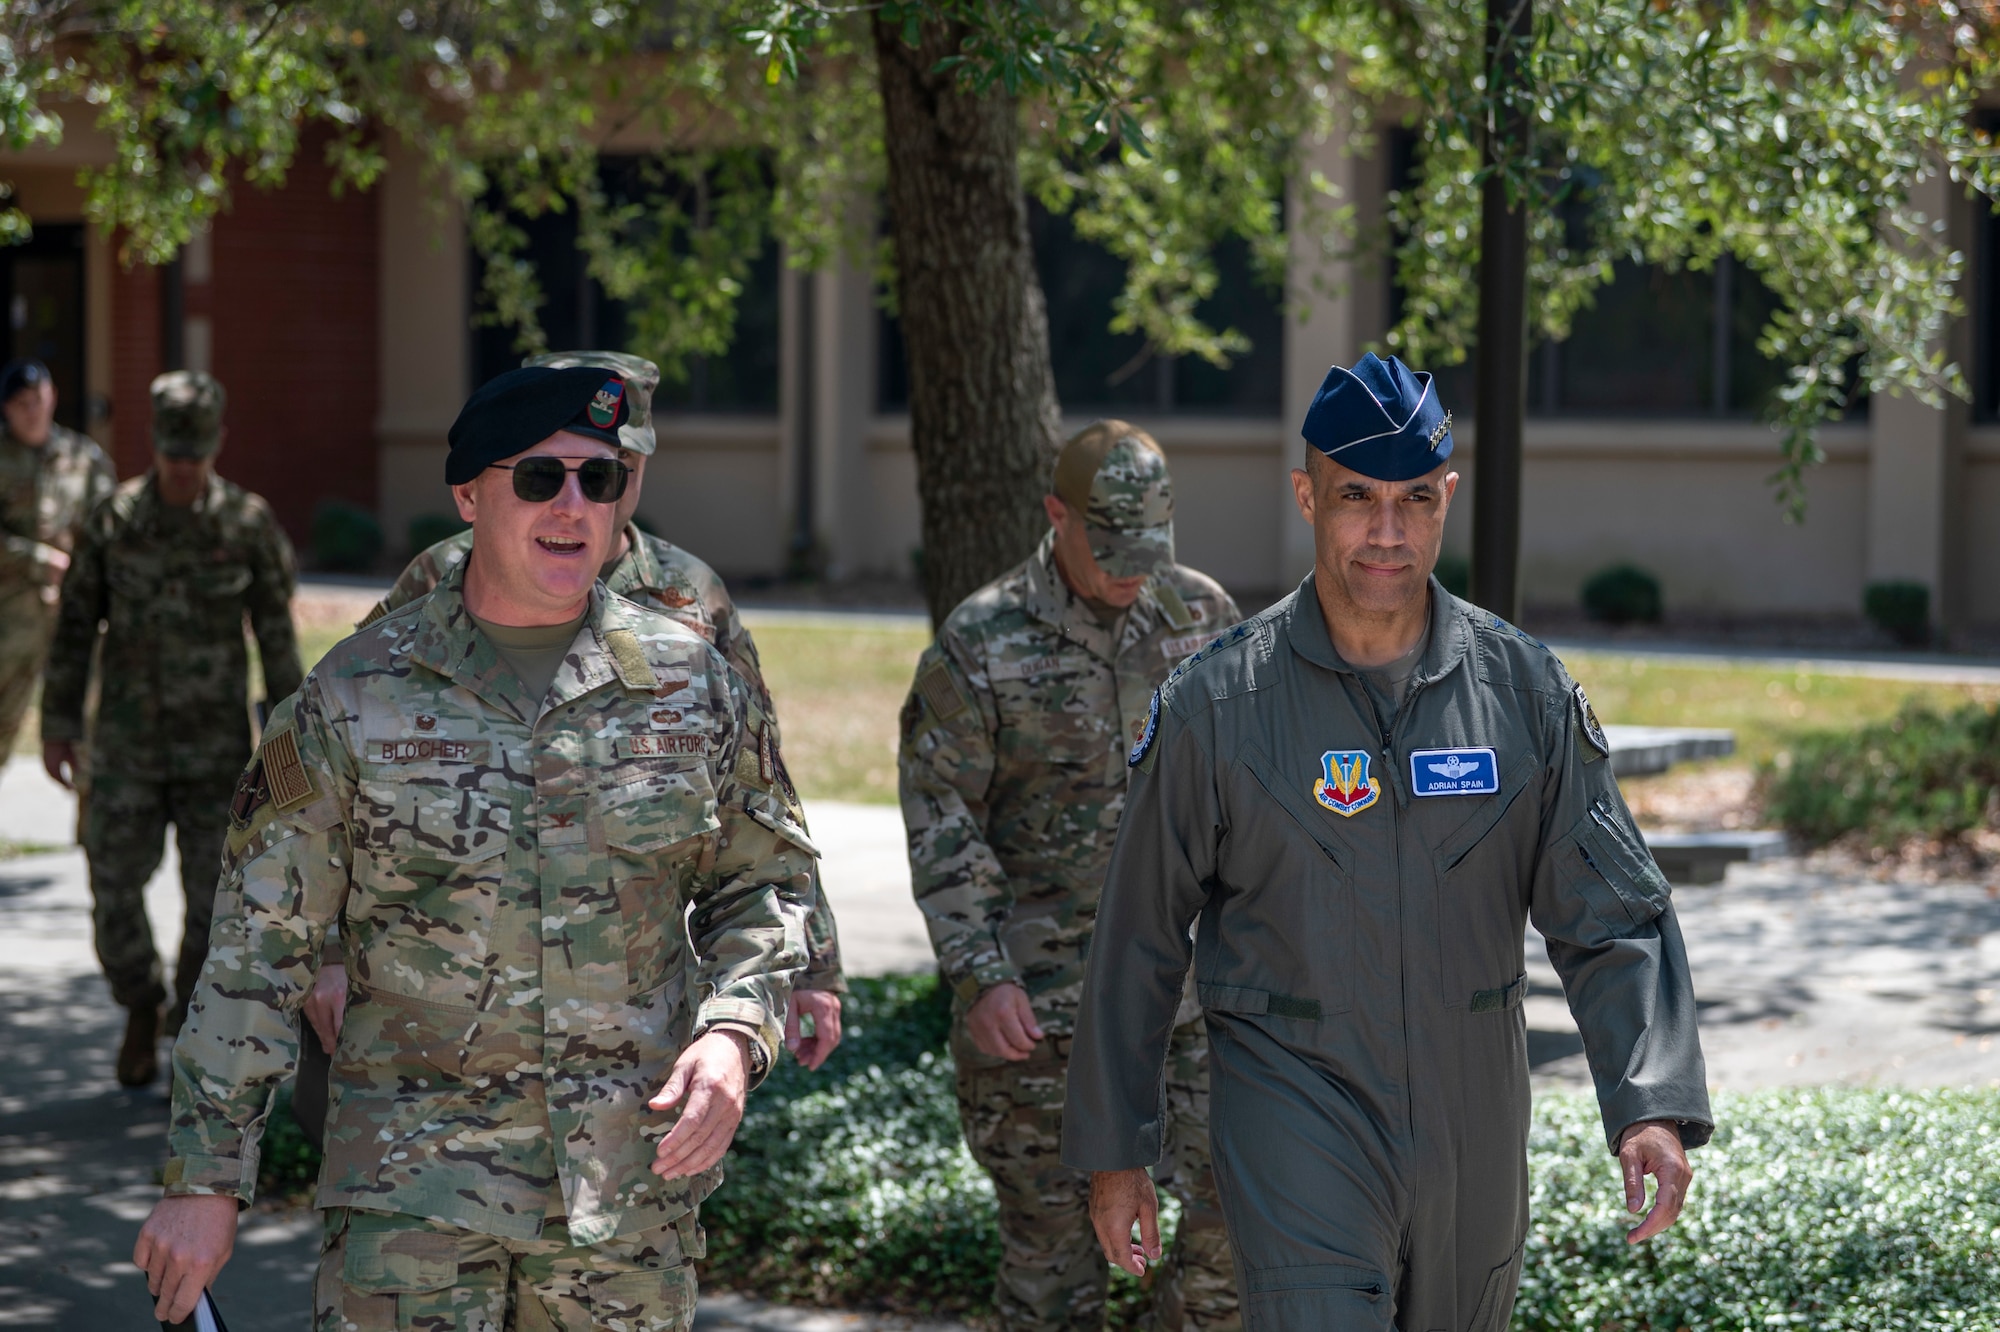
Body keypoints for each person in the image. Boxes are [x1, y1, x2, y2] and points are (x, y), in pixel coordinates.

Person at [131, 364, 815, 1330]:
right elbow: (256, 952)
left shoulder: (694, 687)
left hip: (622, 1215)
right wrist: (203, 1179)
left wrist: (736, 1032)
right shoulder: (355, 695)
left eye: (600, 478)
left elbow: (768, 885)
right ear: (468, 494)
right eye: (539, 478)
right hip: (410, 1212)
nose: (573, 505)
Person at [1063, 354, 1712, 1332]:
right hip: (1294, 1104)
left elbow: (1610, 914)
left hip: (1473, 1123)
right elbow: (1138, 940)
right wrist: (1117, 1153)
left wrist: (1649, 1101)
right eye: (1355, 497)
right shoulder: (1217, 705)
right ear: (1305, 497)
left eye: (1413, 498)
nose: (1385, 529)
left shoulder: (1522, 693)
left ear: (1445, 496)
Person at [351, 350, 845, 1071]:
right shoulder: (441, 575)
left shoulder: (686, 595)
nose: (584, 491)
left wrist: (816, 966)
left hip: (623, 999)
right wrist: (333, 957)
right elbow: (340, 770)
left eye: (614, 468)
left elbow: (762, 794)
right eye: (544, 467)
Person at [898, 421, 1245, 1331]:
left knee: (1225, 1253)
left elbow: (1254, 797)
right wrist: (981, 972)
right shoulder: (980, 643)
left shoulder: (1203, 617)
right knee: (1056, 1273)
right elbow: (943, 820)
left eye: (1149, 549)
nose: (1134, 572)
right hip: (1045, 1019)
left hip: (1193, 1012)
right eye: (1111, 548)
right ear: (1057, 515)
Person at [39, 370, 301, 1087]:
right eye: (172, 456)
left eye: (195, 457)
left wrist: (290, 747)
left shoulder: (245, 524)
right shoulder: (114, 521)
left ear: (216, 445)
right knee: (112, 882)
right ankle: (137, 1002)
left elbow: (277, 641)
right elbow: (72, 630)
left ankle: (185, 1021)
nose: (183, 471)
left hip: (215, 750)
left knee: (212, 900)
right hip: (124, 743)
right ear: (154, 445)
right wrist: (58, 725)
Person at [0, 357, 114, 761]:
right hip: (11, 621)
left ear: (53, 398)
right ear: (6, 409)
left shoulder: (85, 458)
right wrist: (38, 559)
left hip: (74, 618)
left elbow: (110, 530)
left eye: (38, 399)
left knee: (87, 730)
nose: (32, 411)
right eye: (20, 404)